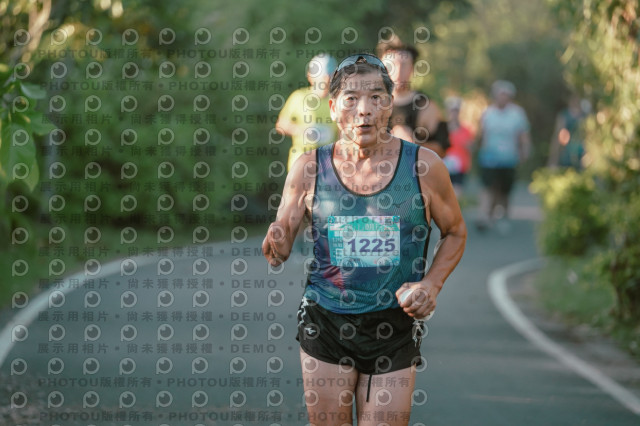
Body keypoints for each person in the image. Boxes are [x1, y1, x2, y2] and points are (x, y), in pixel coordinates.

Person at [263, 53, 467, 425]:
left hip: (395, 324)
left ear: (390, 104)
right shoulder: (309, 168)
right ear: (332, 107)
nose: (364, 110)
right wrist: (276, 240)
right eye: (351, 98)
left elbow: (455, 231)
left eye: (376, 97)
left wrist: (431, 284)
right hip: (326, 320)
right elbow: (281, 243)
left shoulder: (424, 167)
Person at [377, 40, 450, 158]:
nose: (398, 71)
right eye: (392, 64)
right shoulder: (370, 104)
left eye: (404, 65)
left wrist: (412, 144)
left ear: (412, 68)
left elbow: (442, 150)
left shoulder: (426, 106)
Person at [475, 80, 531, 231]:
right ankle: (484, 216)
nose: (502, 97)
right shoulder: (488, 113)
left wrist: (525, 151)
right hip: (489, 157)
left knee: (504, 190)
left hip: (509, 158)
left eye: (505, 95)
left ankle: (503, 216)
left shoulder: (517, 114)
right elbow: (482, 134)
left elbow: (523, 135)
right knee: (488, 187)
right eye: (500, 94)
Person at [276, 53, 339, 171]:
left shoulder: (338, 101)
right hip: (300, 162)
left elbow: (343, 132)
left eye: (329, 75)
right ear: (310, 76)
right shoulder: (298, 97)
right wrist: (300, 131)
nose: (325, 79)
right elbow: (281, 125)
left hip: (328, 165)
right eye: (321, 76)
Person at [442, 96, 474, 197]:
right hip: (443, 167)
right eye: (452, 110)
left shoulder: (466, 130)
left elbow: (470, 149)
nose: (454, 113)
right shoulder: (441, 128)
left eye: (456, 111)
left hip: (460, 169)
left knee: (456, 195)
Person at [547, 93, 588, 170]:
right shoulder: (564, 116)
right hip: (566, 156)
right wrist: (553, 160)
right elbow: (557, 138)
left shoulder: (585, 117)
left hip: (581, 156)